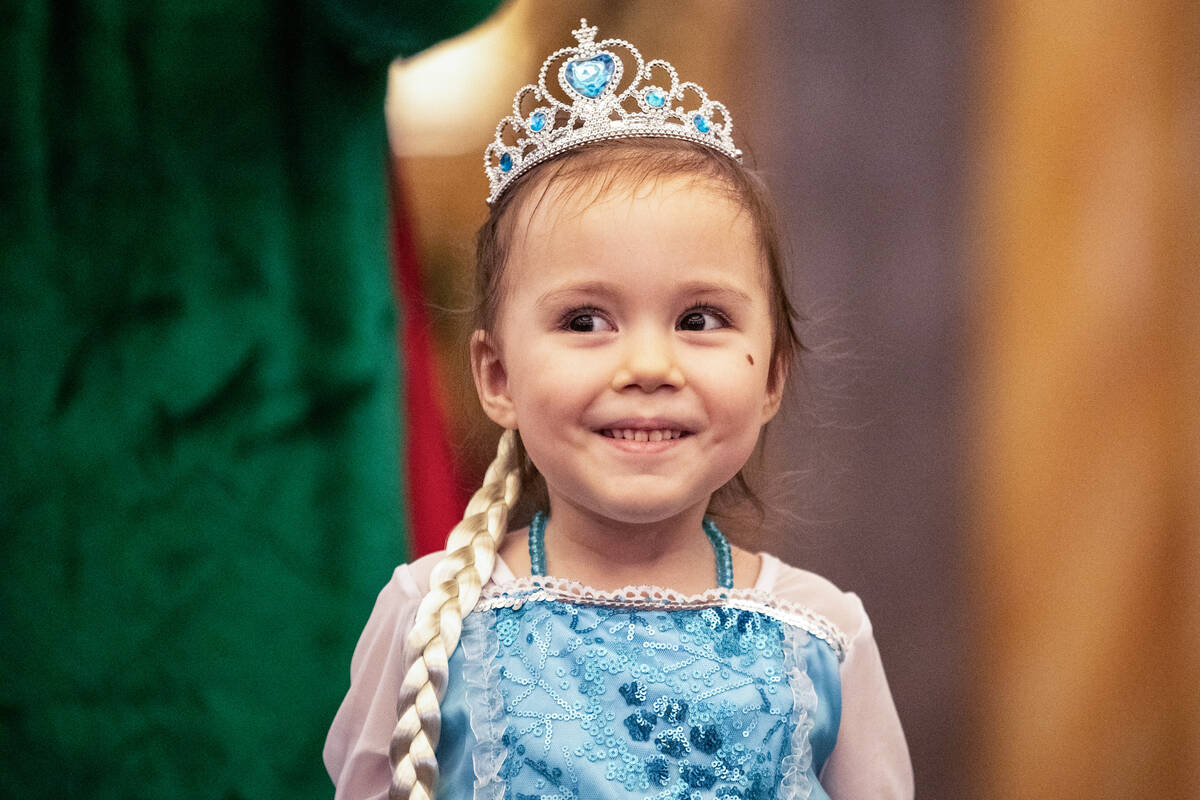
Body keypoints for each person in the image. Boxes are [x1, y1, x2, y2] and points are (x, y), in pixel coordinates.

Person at [325, 19, 914, 800]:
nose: (646, 366)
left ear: (771, 376)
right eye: (584, 322)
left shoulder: (823, 636)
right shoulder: (430, 618)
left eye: (699, 320)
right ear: (497, 376)